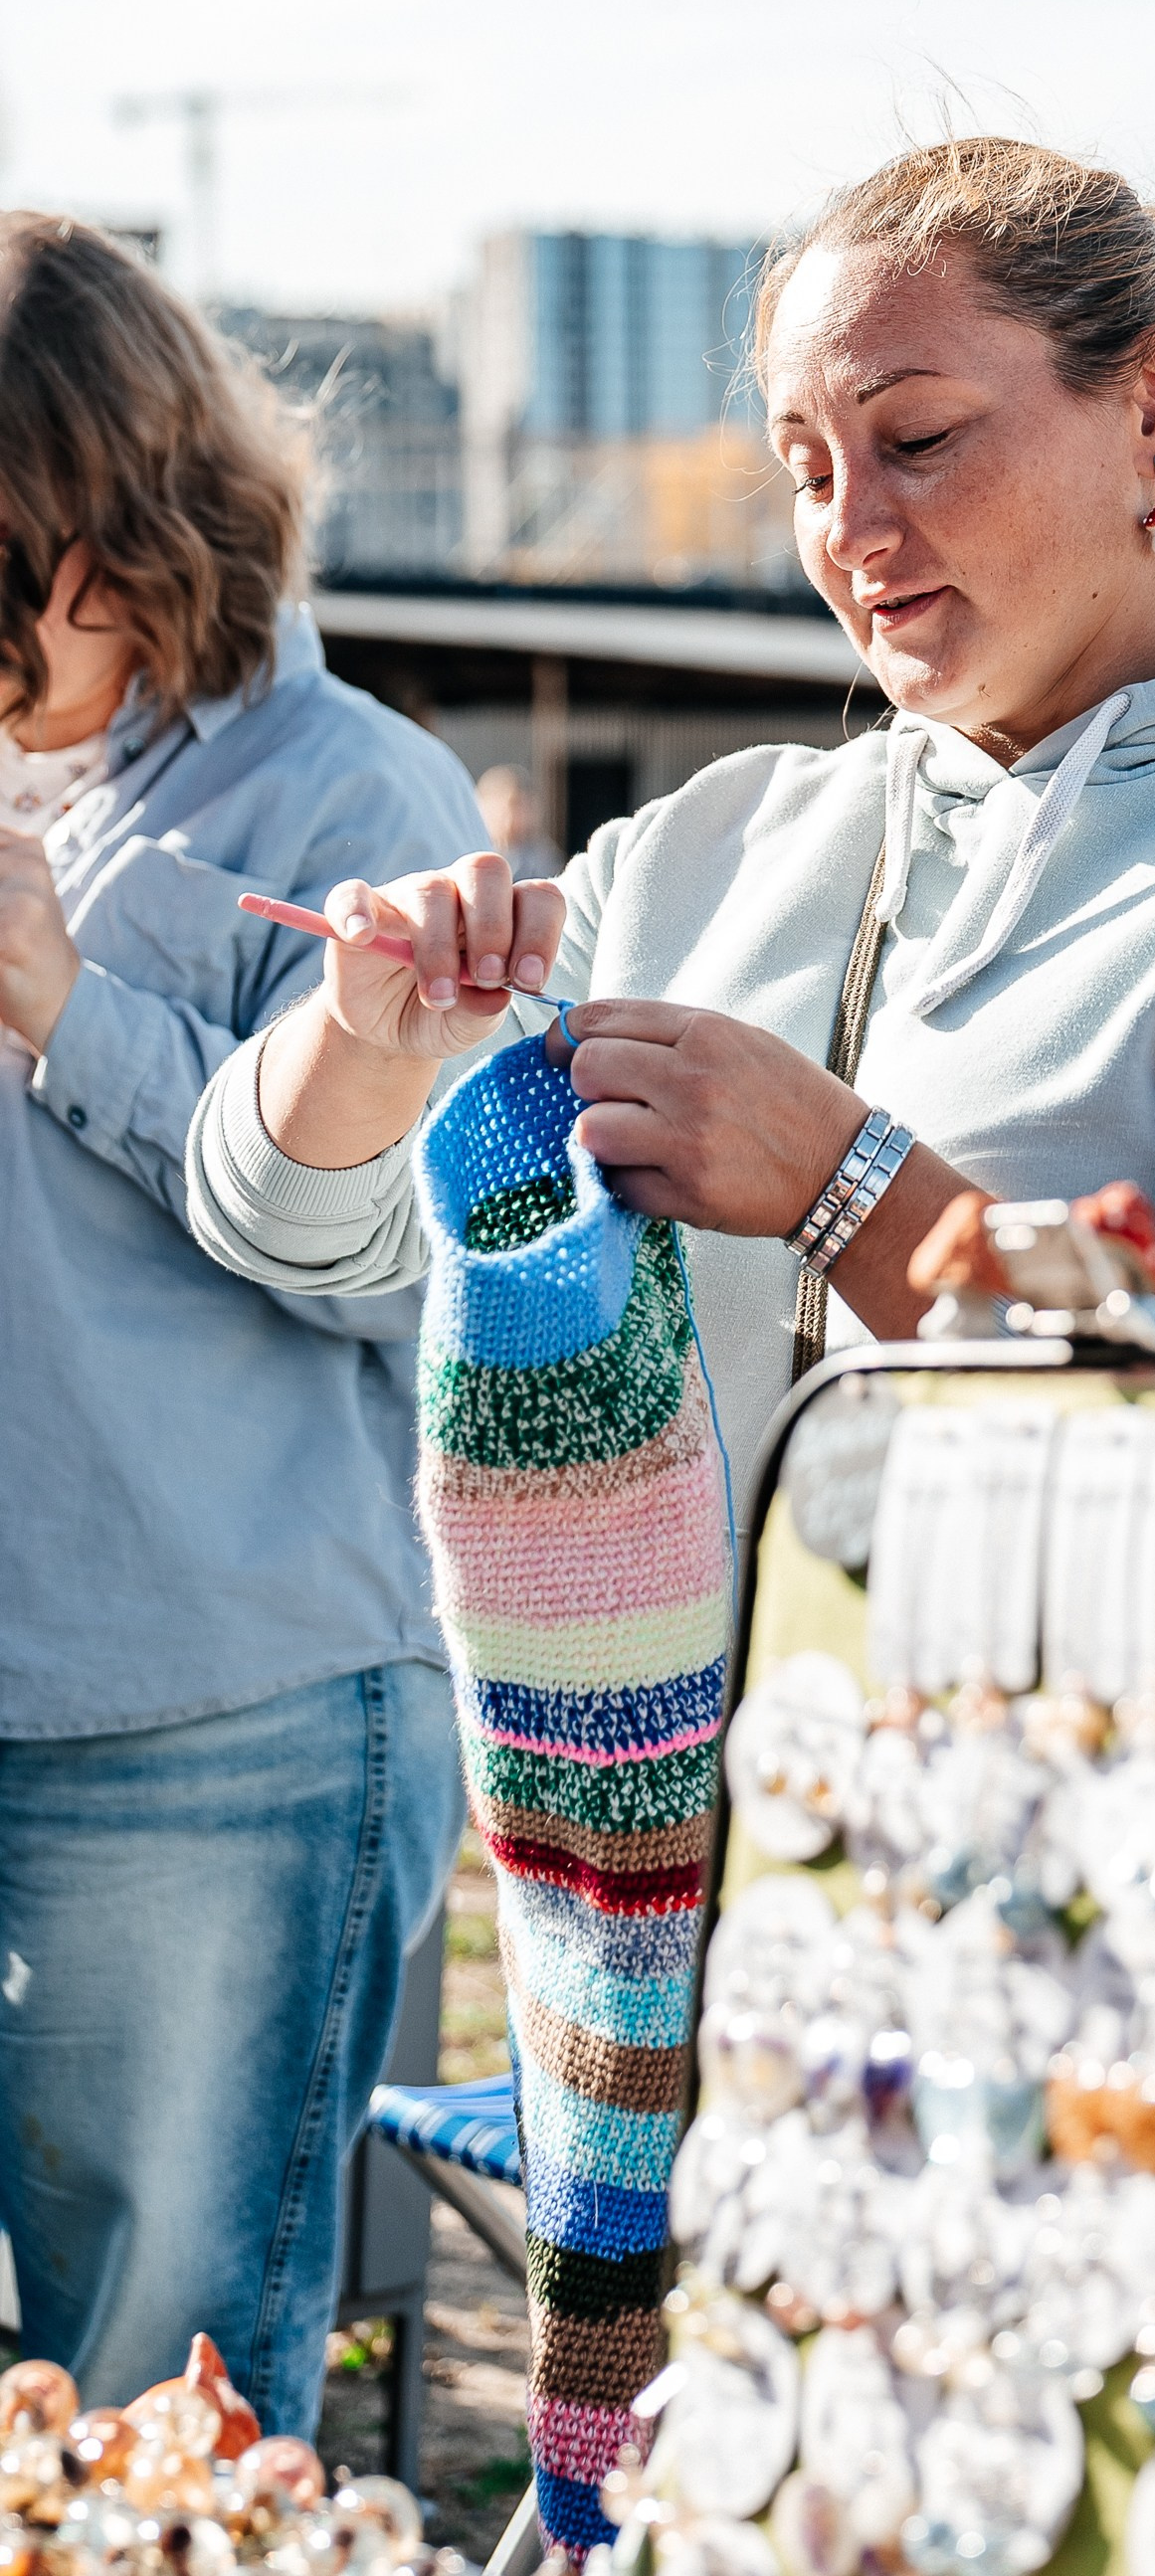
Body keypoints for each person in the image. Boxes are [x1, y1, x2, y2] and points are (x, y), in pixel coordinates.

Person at [188, 134, 1155, 1490]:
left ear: (1154, 411)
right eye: (806, 470)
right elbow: (304, 1242)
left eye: (917, 439)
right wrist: (362, 1044)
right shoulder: (704, 849)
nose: (847, 528)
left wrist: (844, 1189)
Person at [0, 216, 486, 2430]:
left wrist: (69, 1011)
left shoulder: (354, 800)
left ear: (113, 529)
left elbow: (421, 1265)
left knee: (159, 2411)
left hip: (209, 1723)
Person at [477, 759, 560, 879]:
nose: (518, 814)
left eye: (524, 805)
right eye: (513, 804)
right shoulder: (471, 851)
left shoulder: (543, 858)